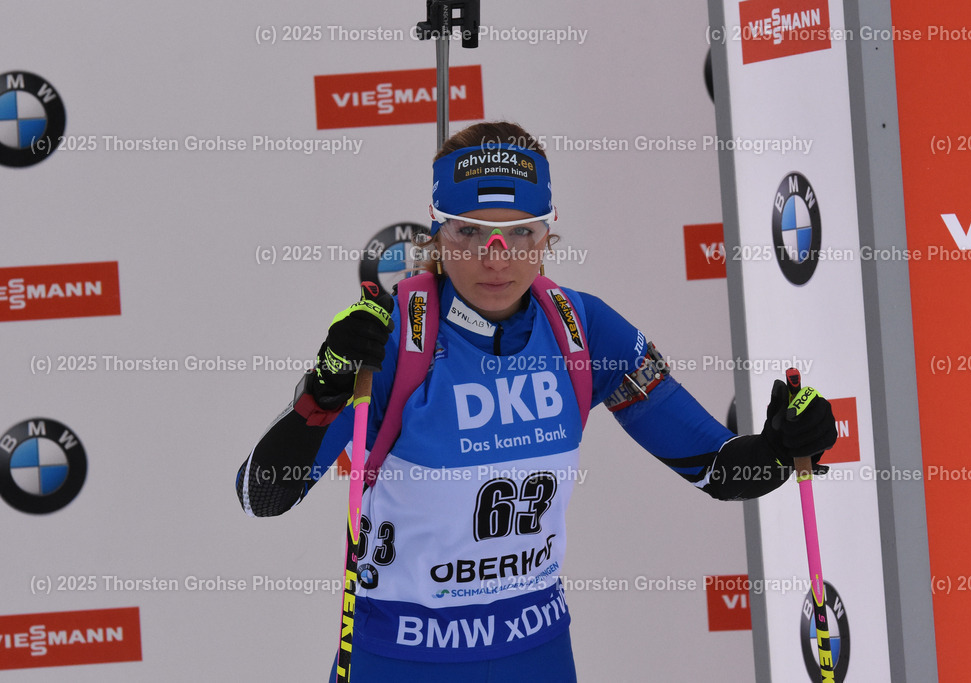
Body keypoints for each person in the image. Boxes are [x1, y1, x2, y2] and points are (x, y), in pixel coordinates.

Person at [236, 121, 837, 682]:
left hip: (536, 652)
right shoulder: (394, 337)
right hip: (404, 655)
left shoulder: (582, 329)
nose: (496, 257)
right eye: (470, 231)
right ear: (437, 229)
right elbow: (261, 495)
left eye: (520, 231)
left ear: (549, 231)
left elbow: (719, 470)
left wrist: (783, 445)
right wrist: (326, 388)